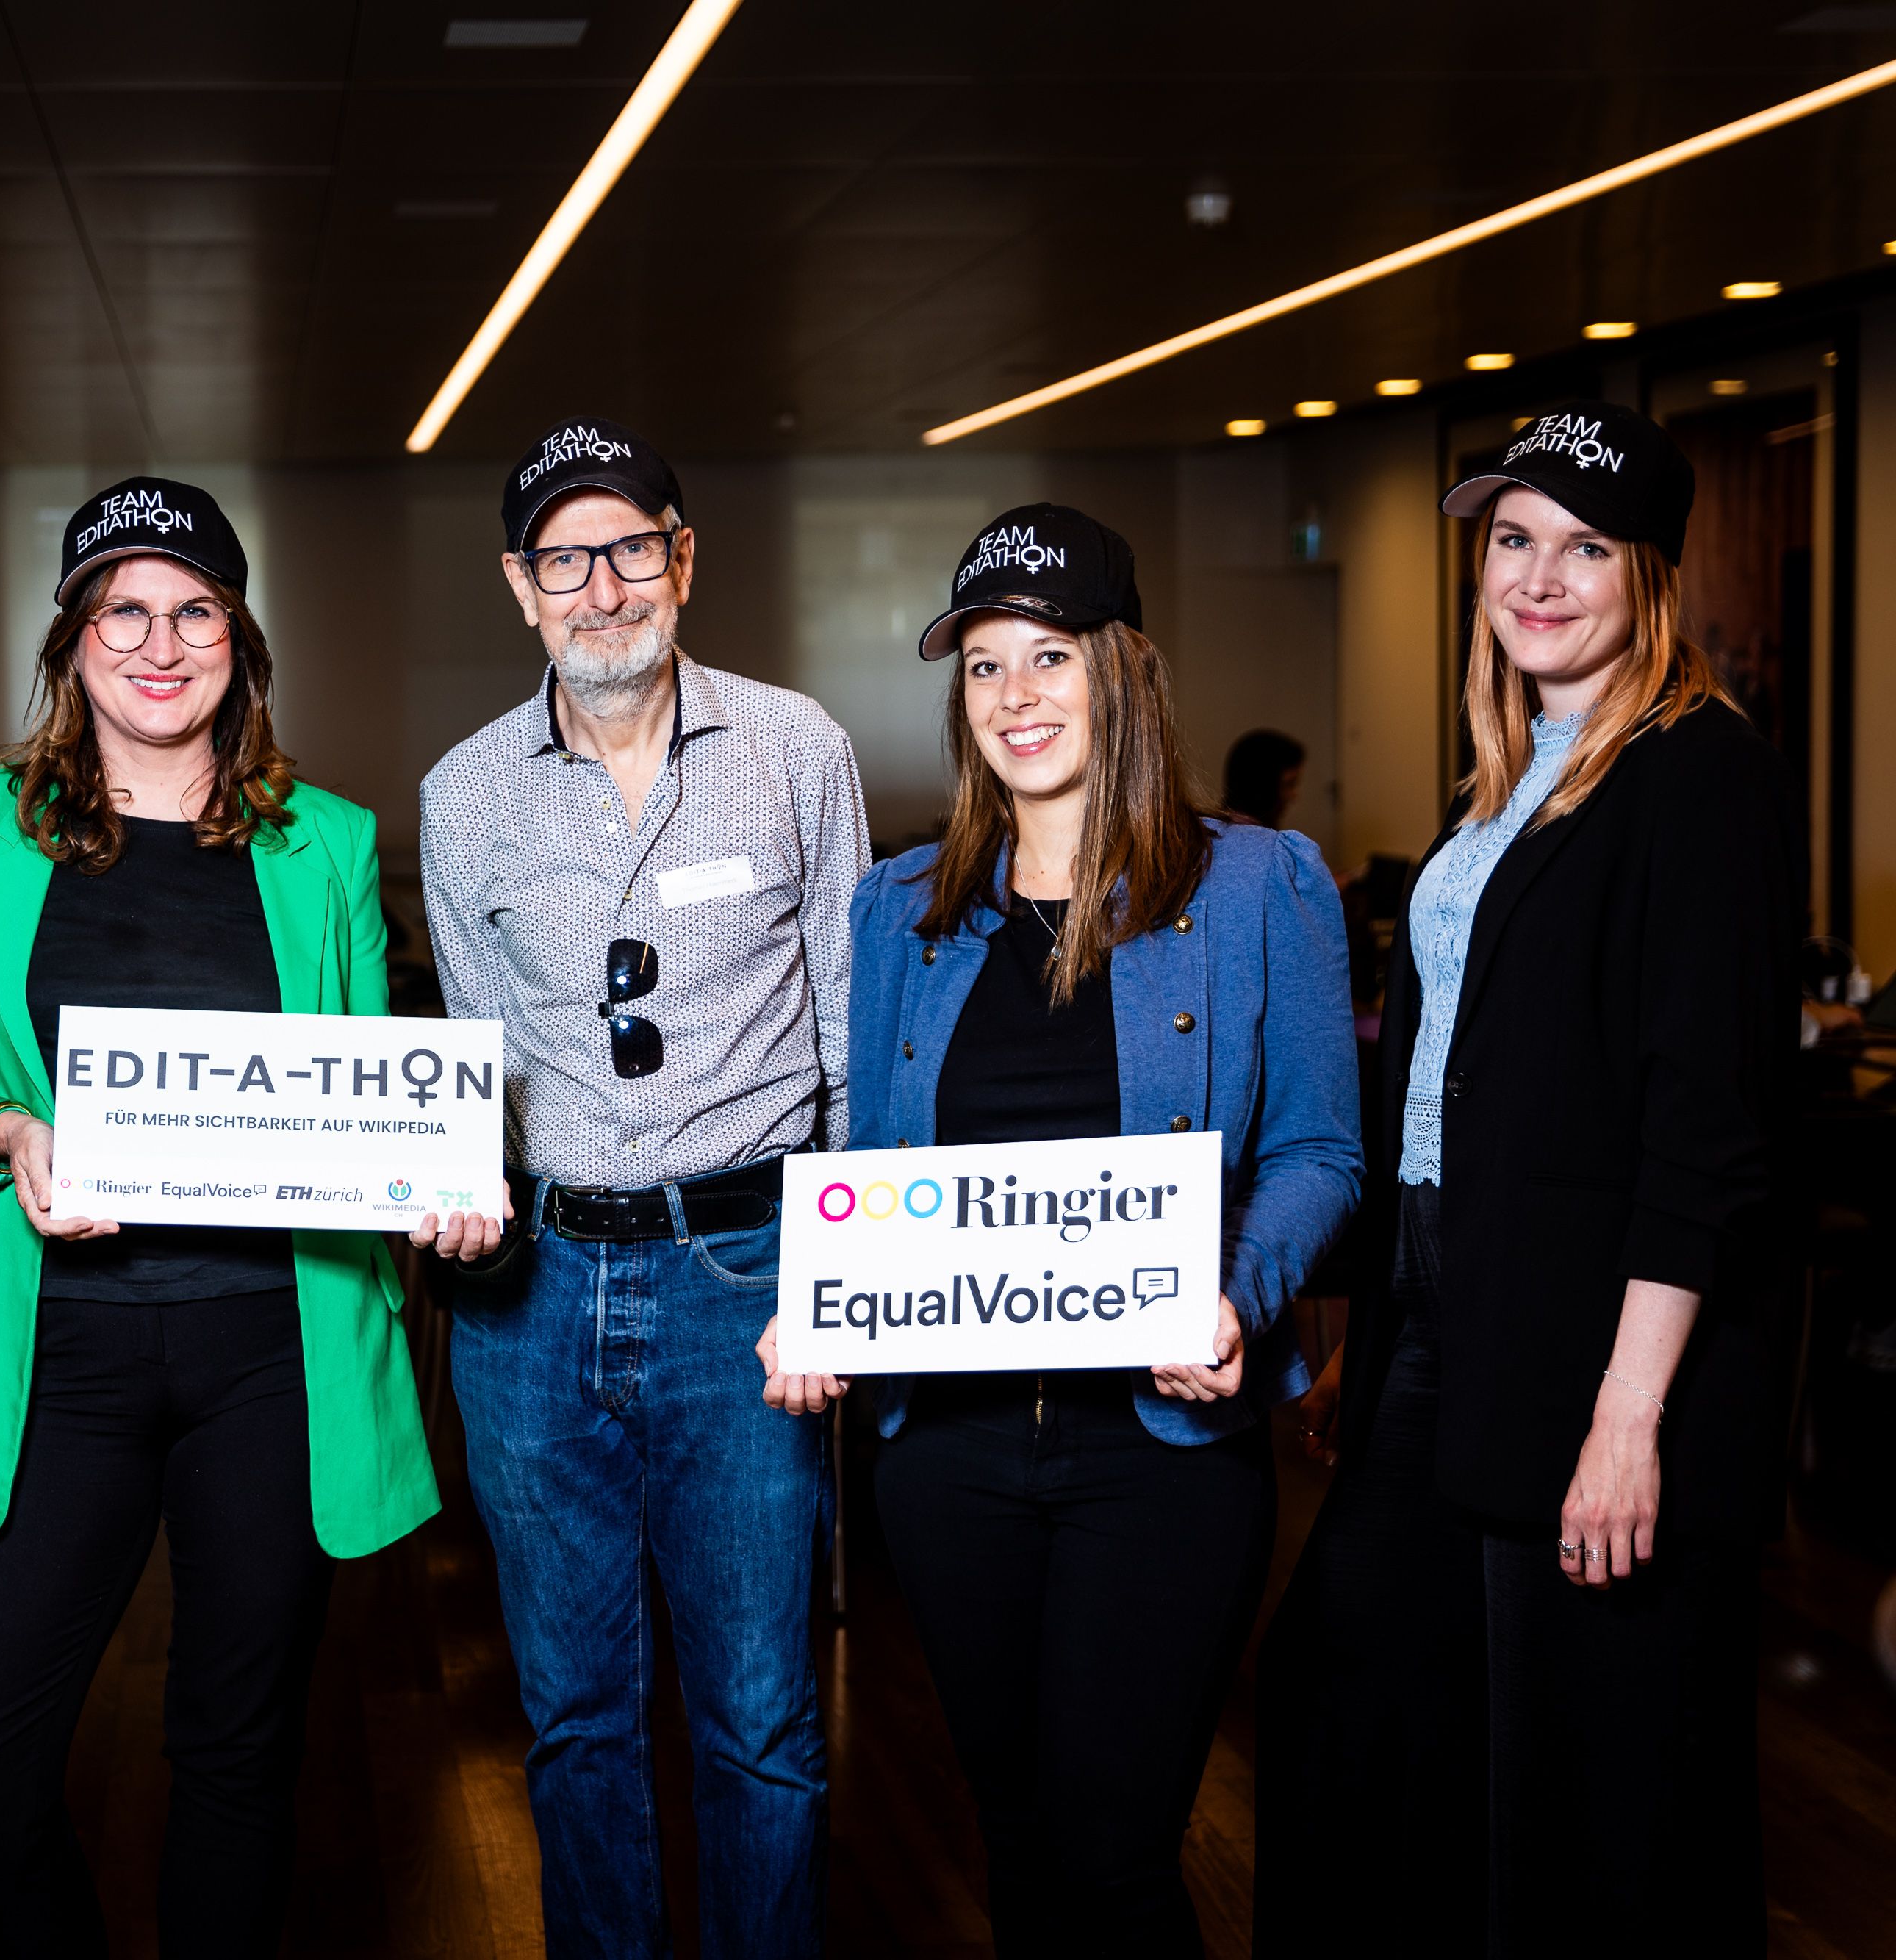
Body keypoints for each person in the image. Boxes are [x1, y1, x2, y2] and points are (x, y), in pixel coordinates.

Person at [761, 503, 1360, 1956]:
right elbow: (865, 1161)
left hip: (1158, 1452)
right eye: (982, 665)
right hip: (948, 1456)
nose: (1013, 695)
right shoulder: (897, 908)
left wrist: (1236, 1290)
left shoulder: (1256, 884)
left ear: (1121, 669)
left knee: (1113, 1857)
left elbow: (1320, 1151)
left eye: (1048, 656)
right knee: (1018, 1844)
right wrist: (816, 1299)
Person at [1255, 402, 1798, 1956]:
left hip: (1596, 1349)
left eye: (1584, 547)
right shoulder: (1504, 776)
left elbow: (1704, 1128)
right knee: (1363, 1698)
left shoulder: (1700, 774)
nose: (1537, 578)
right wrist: (1375, 1331)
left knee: (1583, 1790)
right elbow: (1453, 1088)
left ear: (1648, 574)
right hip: (1450, 1319)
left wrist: (1627, 1419)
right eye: (1511, 539)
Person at [0, 477, 438, 1958]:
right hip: (49, 1349)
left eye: (196, 611)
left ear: (241, 643)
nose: (160, 643)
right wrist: (1, 1129)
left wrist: (438, 1174)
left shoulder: (325, 842)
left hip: (273, 1347)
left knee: (239, 1755)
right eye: (123, 609)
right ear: (72, 639)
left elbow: (374, 1083)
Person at [417, 417, 870, 1957]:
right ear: (519, 585)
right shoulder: (464, 793)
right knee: (573, 1718)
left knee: (760, 1718)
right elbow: (475, 1062)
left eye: (628, 549)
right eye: (564, 560)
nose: (599, 588)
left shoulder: (798, 750)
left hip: (746, 1283)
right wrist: (452, 1178)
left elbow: (850, 1039)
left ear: (682, 560)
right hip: (532, 1304)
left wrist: (838, 1285)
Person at [1223, 726, 1307, 828]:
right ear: (1264, 784)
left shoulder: (1220, 828)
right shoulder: (1245, 833)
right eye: (1289, 784)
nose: (1294, 795)